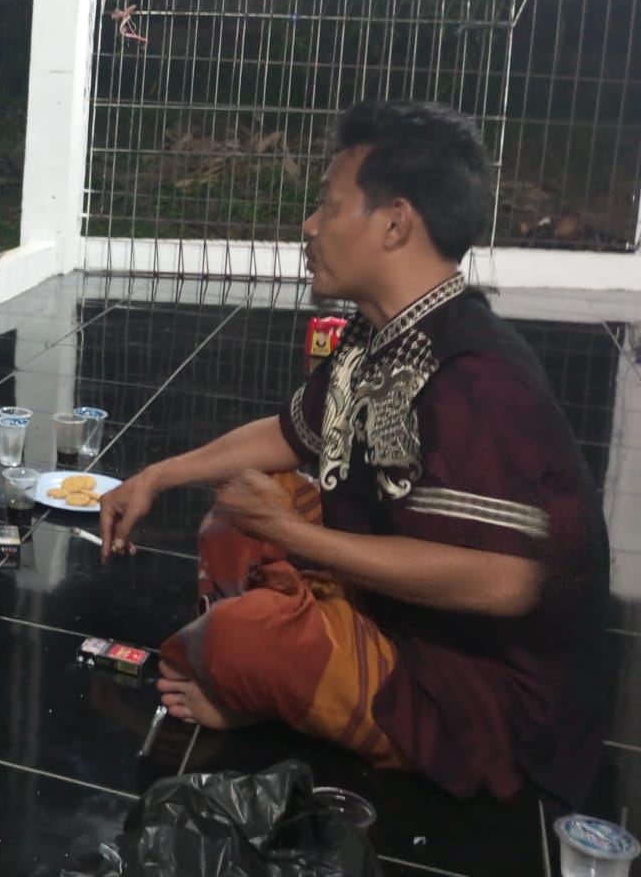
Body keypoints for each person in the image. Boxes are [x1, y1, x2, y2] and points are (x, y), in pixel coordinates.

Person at [98, 101, 610, 808]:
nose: (310, 226)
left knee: (237, 640)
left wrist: (294, 535)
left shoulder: (481, 375)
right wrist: (159, 475)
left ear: (395, 223)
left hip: (482, 694)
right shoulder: (387, 334)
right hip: (406, 603)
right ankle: (298, 647)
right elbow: (292, 432)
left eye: (329, 206)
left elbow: (506, 581)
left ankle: (270, 677)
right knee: (236, 511)